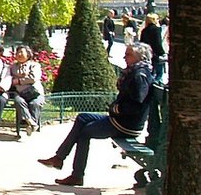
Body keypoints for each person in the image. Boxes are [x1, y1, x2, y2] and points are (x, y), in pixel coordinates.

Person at [39, 43, 156, 186]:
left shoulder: (140, 75)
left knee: (84, 133)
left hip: (125, 124)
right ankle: (59, 157)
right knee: (83, 117)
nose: (124, 57)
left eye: (129, 54)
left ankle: (76, 175)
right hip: (119, 119)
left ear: (140, 57)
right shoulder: (136, 71)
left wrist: (115, 109)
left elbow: (136, 105)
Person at [9, 45, 43, 135]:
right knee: (18, 101)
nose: (19, 54)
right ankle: (32, 123)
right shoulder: (13, 67)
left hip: (35, 92)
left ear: (28, 55)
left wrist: (19, 80)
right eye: (17, 52)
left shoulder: (35, 65)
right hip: (20, 93)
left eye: (21, 52)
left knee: (34, 103)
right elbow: (9, 79)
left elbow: (33, 78)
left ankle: (29, 123)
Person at [139, 13, 167, 84]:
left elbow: (142, 43)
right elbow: (158, 43)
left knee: (151, 72)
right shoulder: (156, 30)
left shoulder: (144, 30)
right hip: (156, 54)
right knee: (159, 73)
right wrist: (162, 53)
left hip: (148, 54)